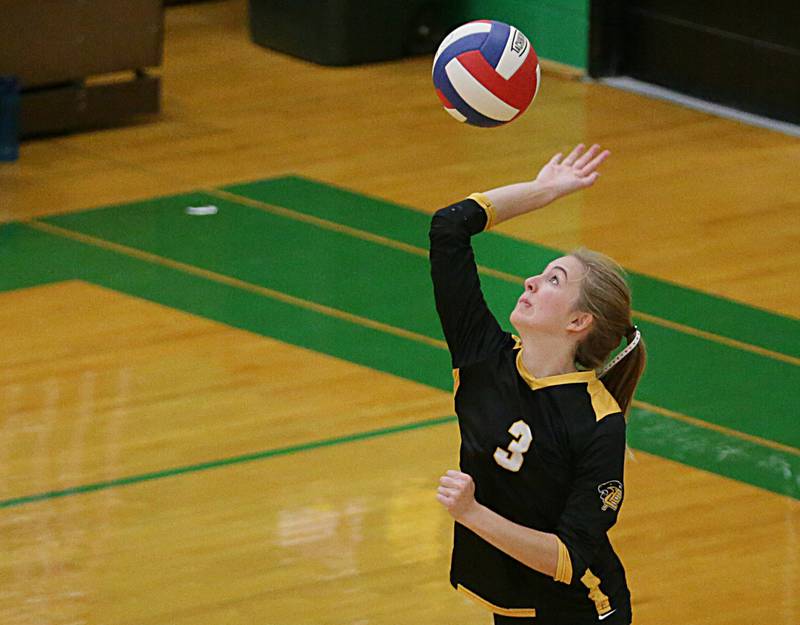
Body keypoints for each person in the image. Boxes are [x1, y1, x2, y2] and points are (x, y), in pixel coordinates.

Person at [429, 144, 646, 625]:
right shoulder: (485, 357)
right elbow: (449, 227)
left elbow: (567, 560)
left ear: (579, 321)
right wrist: (543, 190)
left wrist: (471, 514)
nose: (529, 281)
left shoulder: (597, 422)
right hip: (511, 601)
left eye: (553, 280)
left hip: (578, 612)